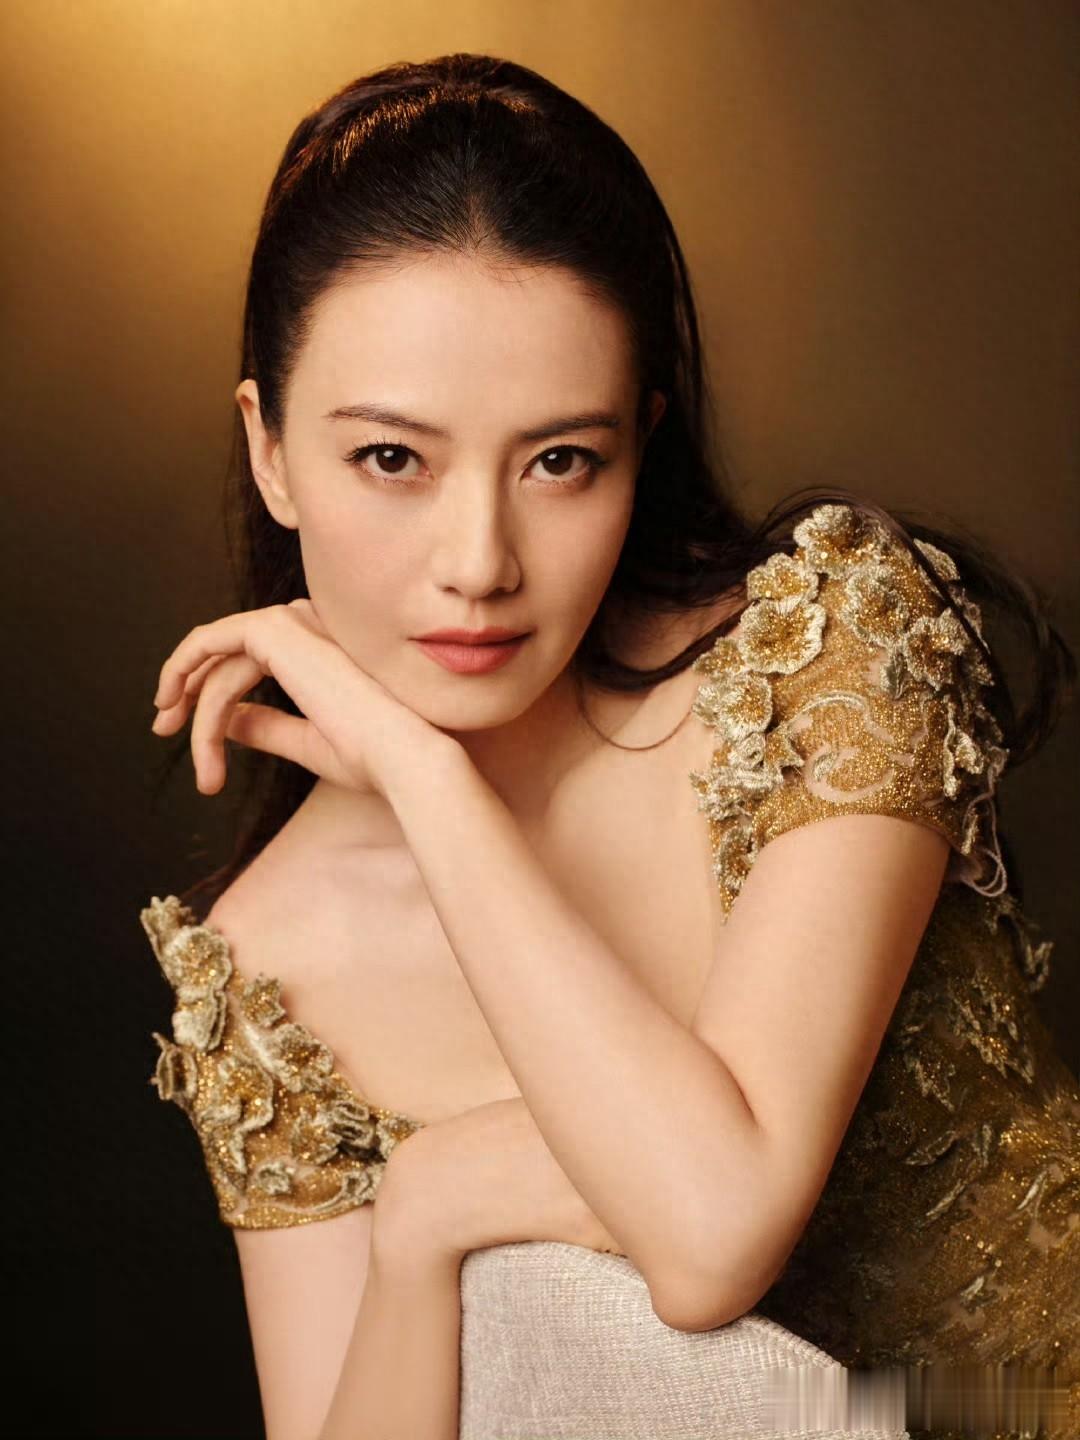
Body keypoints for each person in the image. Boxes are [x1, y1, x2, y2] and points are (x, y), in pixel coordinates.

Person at [141, 52, 1080, 1440]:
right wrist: (416, 1236)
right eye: (392, 460)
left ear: (640, 442)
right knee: (515, 1310)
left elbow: (711, 1232)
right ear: (270, 449)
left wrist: (425, 780)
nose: (479, 564)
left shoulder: (821, 658)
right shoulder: (271, 961)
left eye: (559, 461)